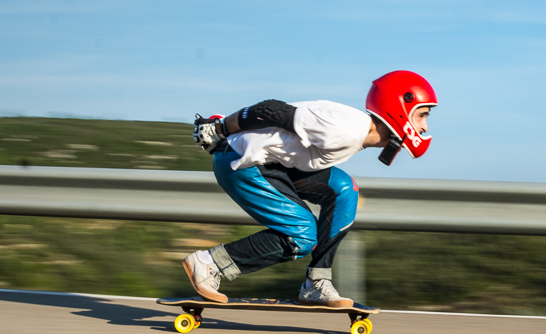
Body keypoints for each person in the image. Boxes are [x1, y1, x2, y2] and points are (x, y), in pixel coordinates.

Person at [181, 70, 436, 307]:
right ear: (400, 106)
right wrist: (220, 128)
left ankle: (316, 283)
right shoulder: (345, 129)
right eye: (422, 114)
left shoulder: (357, 131)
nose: (424, 126)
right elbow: (270, 110)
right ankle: (208, 263)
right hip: (241, 162)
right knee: (303, 235)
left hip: (275, 165)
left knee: (344, 189)